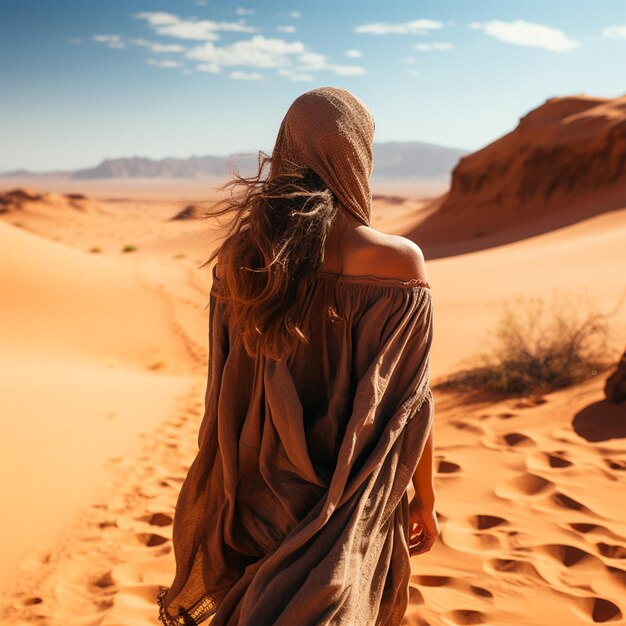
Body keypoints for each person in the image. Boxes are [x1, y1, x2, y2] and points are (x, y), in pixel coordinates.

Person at [157, 86, 438, 626]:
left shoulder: (239, 261)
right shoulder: (398, 263)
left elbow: (225, 393)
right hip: (345, 505)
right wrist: (423, 498)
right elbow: (410, 404)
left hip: (255, 500)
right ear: (358, 154)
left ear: (287, 149)